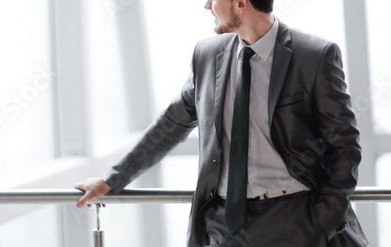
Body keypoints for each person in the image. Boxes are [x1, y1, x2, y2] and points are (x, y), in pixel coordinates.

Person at [74, 0, 369, 246]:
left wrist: (321, 221)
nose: (206, 5)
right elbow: (171, 125)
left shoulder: (314, 56)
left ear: (241, 3)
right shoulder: (207, 55)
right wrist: (113, 179)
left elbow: (344, 145)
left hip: (294, 220)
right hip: (224, 224)